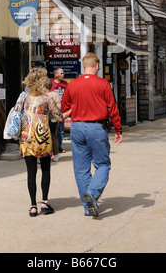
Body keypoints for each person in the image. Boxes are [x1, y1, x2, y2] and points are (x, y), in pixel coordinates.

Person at [61, 52, 123, 217]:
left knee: (81, 169)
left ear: (83, 66)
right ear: (97, 66)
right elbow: (112, 108)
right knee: (102, 165)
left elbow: (64, 106)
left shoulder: (72, 85)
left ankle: (88, 206)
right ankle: (93, 194)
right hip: (96, 127)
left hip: (77, 127)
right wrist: (118, 129)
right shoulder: (103, 84)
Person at [13, 67, 63, 217]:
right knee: (46, 169)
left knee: (31, 172)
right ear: (42, 81)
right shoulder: (47, 98)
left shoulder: (23, 96)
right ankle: (44, 202)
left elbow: (16, 112)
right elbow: (59, 117)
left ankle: (33, 206)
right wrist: (72, 110)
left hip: (27, 138)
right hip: (43, 138)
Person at [45, 78, 71, 161]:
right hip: (44, 118)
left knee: (53, 135)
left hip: (52, 117)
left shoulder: (54, 94)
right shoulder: (42, 94)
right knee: (45, 136)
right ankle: (46, 154)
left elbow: (59, 106)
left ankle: (56, 153)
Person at [51, 68, 68, 154]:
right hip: (52, 111)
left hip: (62, 110)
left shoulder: (65, 84)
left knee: (61, 130)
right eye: (61, 73)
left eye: (63, 73)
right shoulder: (51, 83)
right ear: (56, 75)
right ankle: (52, 148)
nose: (63, 75)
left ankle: (59, 147)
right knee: (53, 129)